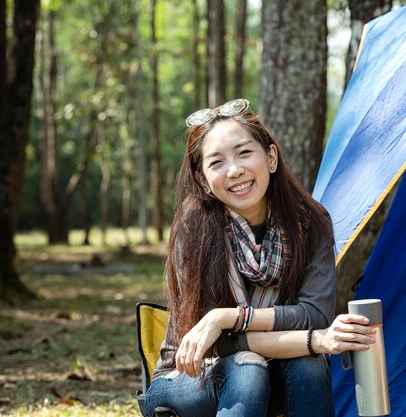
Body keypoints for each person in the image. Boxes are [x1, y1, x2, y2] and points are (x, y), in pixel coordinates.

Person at [144, 99, 377, 417]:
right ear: (202, 180)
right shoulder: (195, 223)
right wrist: (316, 340)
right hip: (189, 377)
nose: (235, 169)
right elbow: (219, 346)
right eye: (217, 163)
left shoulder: (309, 222)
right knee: (249, 366)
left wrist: (225, 318)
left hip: (275, 370)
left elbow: (314, 315)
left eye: (244, 153)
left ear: (270, 158)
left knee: (308, 364)